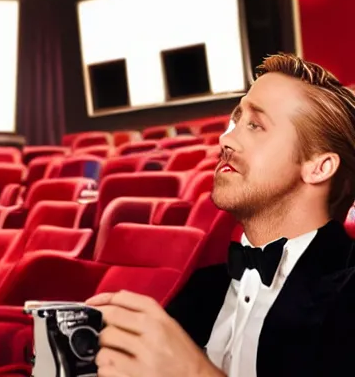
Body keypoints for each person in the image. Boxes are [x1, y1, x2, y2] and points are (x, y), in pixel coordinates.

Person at [87, 53, 355, 377]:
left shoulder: (347, 295)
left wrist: (194, 372)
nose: (225, 139)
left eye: (256, 125)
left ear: (319, 167)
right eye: (235, 122)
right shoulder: (205, 286)